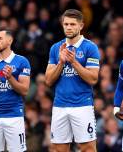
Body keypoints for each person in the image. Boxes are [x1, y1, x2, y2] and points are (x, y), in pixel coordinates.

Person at [45, 9, 100, 152]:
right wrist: (61, 62)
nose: (68, 27)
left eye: (72, 24)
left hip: (82, 105)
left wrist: (74, 62)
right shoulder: (56, 48)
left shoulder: (90, 47)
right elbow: (49, 80)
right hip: (60, 106)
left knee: (87, 148)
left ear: (81, 26)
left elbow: (93, 79)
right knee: (58, 149)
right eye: (66, 24)